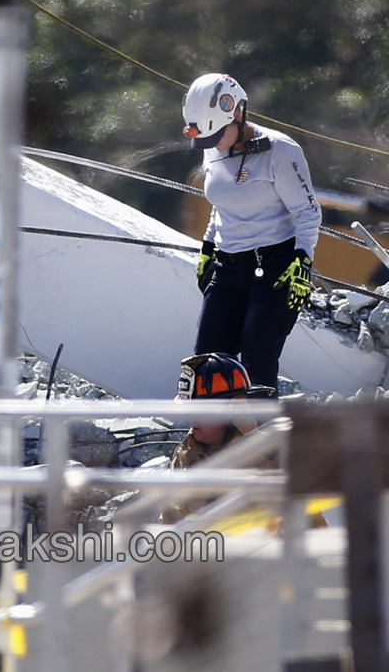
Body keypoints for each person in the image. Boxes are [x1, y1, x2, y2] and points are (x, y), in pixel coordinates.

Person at [181, 73, 321, 394]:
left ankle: (262, 440)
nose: (211, 144)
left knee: (257, 360)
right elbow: (222, 204)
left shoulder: (281, 151)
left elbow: (308, 212)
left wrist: (303, 261)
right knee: (208, 362)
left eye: (216, 134)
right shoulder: (213, 147)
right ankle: (213, 440)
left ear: (238, 114)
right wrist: (208, 246)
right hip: (228, 267)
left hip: (275, 267)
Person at [160, 353, 275, 524]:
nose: (192, 421)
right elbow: (170, 516)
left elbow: (308, 522)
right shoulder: (186, 453)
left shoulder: (270, 452)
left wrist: (253, 439)